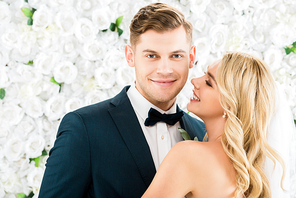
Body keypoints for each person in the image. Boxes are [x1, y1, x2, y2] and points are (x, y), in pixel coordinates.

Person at [38, 3, 206, 198]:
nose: (164, 69)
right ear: (130, 56)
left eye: (176, 55)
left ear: (191, 57)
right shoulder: (84, 128)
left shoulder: (203, 134)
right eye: (151, 56)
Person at [142, 51, 296, 198]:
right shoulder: (252, 171)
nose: (194, 81)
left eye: (209, 83)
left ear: (230, 104)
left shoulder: (189, 155)